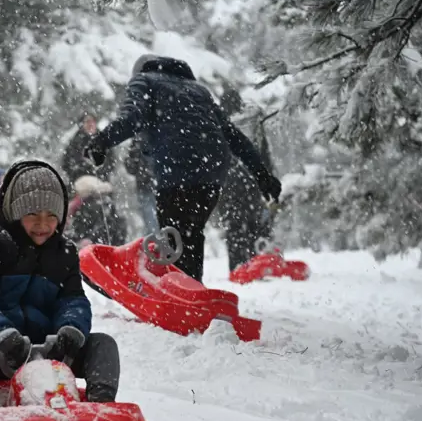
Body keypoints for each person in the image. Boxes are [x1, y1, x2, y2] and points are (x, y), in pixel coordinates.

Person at [84, 54, 282, 283]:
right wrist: (263, 175)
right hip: (213, 171)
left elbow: (133, 117)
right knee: (190, 234)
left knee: (174, 237)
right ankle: (192, 292)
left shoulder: (144, 80)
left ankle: (181, 296)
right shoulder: (198, 90)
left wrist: (101, 142)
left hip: (177, 168)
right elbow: (232, 135)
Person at [0, 158, 121, 411]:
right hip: (1, 351)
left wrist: (70, 329)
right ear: (16, 214)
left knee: (103, 344)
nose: (43, 224)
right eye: (32, 215)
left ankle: (100, 410)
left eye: (51, 216)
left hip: (50, 351)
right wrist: (2, 333)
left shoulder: (65, 252)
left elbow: (73, 300)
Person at [214, 87, 277, 272]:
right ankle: (257, 262)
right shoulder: (251, 124)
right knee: (255, 223)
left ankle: (237, 267)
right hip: (251, 182)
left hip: (228, 185)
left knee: (234, 227)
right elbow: (264, 155)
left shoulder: (218, 125)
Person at [60, 113, 127, 245]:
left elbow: (110, 163)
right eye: (87, 122)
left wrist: (99, 173)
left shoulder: (102, 140)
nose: (90, 124)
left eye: (92, 121)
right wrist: (85, 171)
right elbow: (68, 164)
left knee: (107, 214)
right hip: (80, 186)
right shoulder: (75, 142)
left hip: (101, 185)